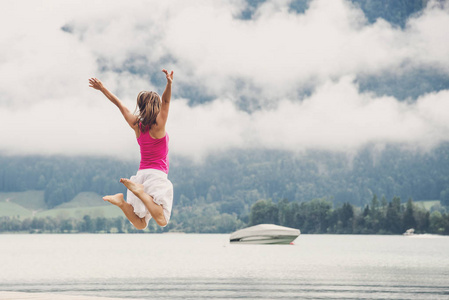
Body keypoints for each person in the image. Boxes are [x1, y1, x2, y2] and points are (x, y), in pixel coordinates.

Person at [88, 69, 174, 229]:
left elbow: (119, 104)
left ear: (141, 106)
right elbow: (167, 101)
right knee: (162, 221)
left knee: (141, 224)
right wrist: (169, 84)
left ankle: (121, 203)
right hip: (156, 176)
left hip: (141, 176)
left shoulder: (137, 125)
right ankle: (140, 192)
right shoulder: (159, 126)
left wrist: (102, 88)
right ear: (157, 105)